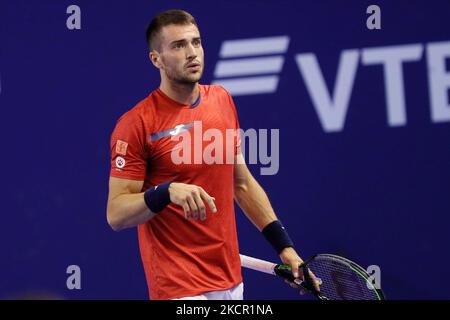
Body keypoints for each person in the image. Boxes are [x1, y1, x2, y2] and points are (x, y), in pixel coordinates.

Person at [107, 9, 309, 300]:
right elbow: (116, 214)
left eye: (196, 42)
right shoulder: (136, 123)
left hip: (230, 281)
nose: (192, 53)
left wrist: (284, 247)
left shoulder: (222, 100)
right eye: (178, 46)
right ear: (156, 59)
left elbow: (241, 184)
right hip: (177, 288)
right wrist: (166, 192)